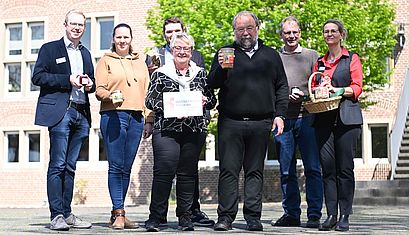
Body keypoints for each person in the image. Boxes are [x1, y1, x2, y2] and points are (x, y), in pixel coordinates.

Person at [207, 11, 289, 232]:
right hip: (230, 122)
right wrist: (221, 68)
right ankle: (225, 217)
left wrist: (280, 115)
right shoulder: (225, 52)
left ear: (257, 28)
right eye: (240, 29)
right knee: (228, 171)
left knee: (255, 171)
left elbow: (282, 86)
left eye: (249, 28)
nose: (245, 33)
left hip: (261, 122)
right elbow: (211, 84)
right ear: (234, 31)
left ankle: (253, 217)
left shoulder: (271, 55)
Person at [145, 16, 214, 227]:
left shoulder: (200, 74)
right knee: (164, 171)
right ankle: (156, 217)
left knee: (187, 173)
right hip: (167, 130)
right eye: (178, 48)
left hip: (193, 129)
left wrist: (204, 100)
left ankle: (185, 217)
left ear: (191, 51)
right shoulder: (161, 73)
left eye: (186, 48)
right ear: (172, 50)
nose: (182, 52)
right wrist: (172, 107)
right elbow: (150, 99)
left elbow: (212, 99)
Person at [32, 9, 95, 231]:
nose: (77, 28)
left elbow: (93, 83)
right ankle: (56, 215)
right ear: (65, 25)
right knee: (57, 165)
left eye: (81, 25)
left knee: (70, 166)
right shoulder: (50, 49)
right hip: (61, 112)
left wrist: (89, 84)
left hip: (81, 112)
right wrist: (67, 79)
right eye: (73, 24)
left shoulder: (86, 53)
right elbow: (37, 77)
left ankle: (67, 213)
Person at [95, 23, 154, 230]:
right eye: (118, 37)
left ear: (131, 38)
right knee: (116, 166)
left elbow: (147, 92)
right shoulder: (105, 60)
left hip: (137, 117)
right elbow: (99, 89)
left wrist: (149, 119)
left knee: (127, 167)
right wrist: (110, 96)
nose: (122, 40)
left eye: (125, 37)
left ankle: (117, 214)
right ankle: (119, 212)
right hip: (113, 115)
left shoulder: (140, 62)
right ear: (113, 39)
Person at [271, 16, 323, 228]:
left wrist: (304, 94)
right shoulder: (274, 58)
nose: (291, 36)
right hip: (283, 120)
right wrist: (282, 98)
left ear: (299, 33)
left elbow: (320, 86)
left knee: (312, 168)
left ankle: (314, 214)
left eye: (294, 32)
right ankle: (291, 213)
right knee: (286, 170)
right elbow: (269, 87)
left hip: (308, 118)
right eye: (287, 33)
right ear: (281, 35)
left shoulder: (312, 56)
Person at [312, 19, 363, 232]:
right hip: (324, 120)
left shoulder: (351, 58)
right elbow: (314, 88)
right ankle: (331, 214)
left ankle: (345, 215)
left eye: (334, 31)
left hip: (347, 120)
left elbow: (357, 87)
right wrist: (318, 90)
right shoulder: (319, 62)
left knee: (345, 169)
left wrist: (337, 90)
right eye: (326, 31)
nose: (329, 34)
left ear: (341, 34)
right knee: (328, 169)